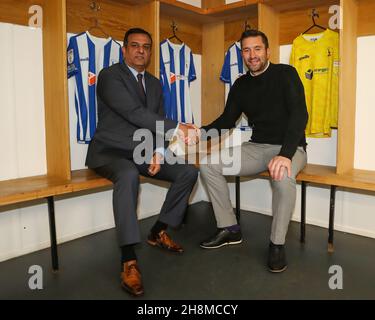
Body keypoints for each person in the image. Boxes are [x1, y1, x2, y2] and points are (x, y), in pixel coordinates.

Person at [86, 28, 199, 296]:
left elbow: (157, 120)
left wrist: (159, 151)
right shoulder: (109, 76)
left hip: (142, 152)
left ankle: (157, 231)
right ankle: (128, 260)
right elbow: (133, 113)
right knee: (126, 175)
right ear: (124, 49)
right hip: (110, 152)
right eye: (135, 45)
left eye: (146, 46)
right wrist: (179, 128)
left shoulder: (156, 83)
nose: (140, 51)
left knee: (187, 171)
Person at [198, 29, 308, 273]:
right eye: (246, 50)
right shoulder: (241, 84)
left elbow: (300, 115)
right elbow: (226, 120)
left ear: (268, 51)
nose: (252, 54)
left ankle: (277, 244)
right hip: (257, 147)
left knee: (282, 177)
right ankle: (229, 228)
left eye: (257, 48)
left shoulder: (285, 74)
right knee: (208, 165)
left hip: (291, 148)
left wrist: (285, 155)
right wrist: (198, 133)